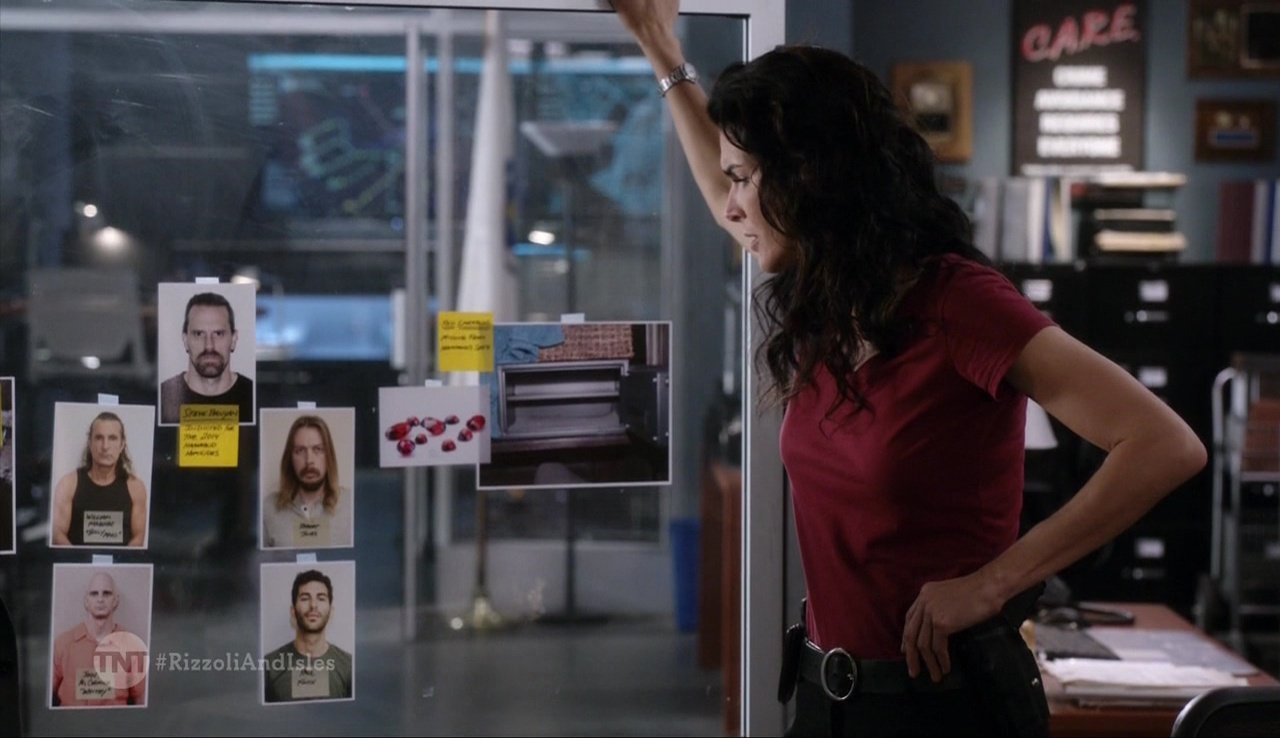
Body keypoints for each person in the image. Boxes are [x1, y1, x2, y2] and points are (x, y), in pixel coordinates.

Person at [614, 3, 1207, 736]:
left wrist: (995, 584)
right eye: (731, 179)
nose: (731, 206)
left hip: (943, 708)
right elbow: (724, 195)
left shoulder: (958, 301)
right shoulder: (828, 297)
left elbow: (1164, 444)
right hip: (825, 700)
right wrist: (659, 47)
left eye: (745, 179)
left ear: (808, 176)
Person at [50, 412, 147, 548]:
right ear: (90, 443)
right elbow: (58, 534)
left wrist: (118, 560)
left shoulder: (136, 488)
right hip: (78, 561)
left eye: (112, 438)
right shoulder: (68, 485)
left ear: (122, 445)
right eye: (99, 438)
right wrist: (81, 559)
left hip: (120, 561)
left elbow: (138, 538)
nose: (105, 446)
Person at [51, 571, 147, 707]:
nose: (100, 599)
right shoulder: (63, 644)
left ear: (116, 601)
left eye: (106, 593)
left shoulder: (133, 647)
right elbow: (44, 698)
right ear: (86, 601)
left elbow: (141, 702)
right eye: (94, 593)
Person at [160, 291, 254, 424]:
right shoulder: (163, 396)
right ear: (185, 340)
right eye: (199, 334)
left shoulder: (254, 396)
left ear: (233, 339)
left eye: (218, 333)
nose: (209, 346)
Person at [262, 416, 352, 549]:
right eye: (300, 451)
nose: (309, 460)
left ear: (329, 456)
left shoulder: (350, 504)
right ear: (290, 458)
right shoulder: (268, 508)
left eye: (318, 449)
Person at [263, 569, 353, 703]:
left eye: (321, 598)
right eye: (305, 598)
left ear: (331, 611)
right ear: (293, 611)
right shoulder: (268, 666)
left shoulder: (349, 666)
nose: (313, 605)